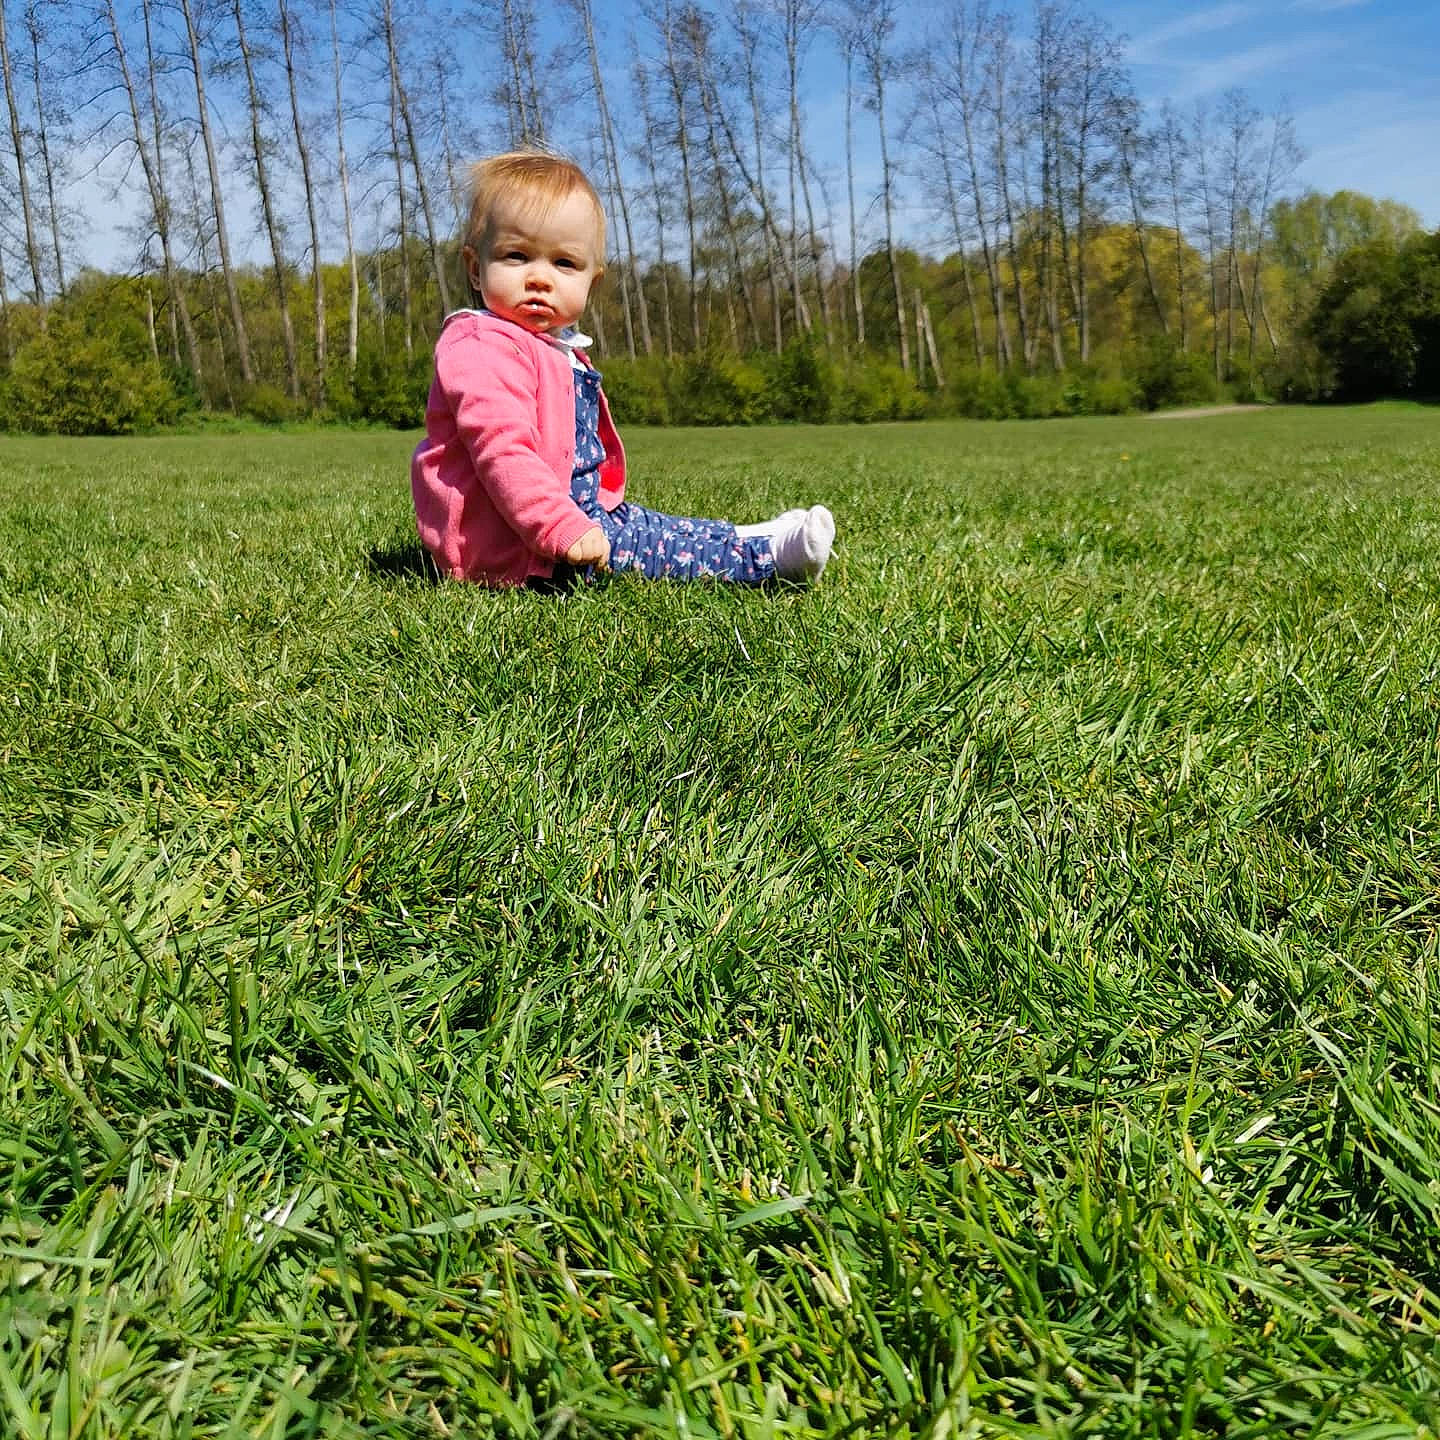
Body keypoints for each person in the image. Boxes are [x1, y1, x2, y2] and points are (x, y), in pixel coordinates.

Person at [412, 150, 835, 589]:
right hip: (514, 546)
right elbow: (502, 451)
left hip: (576, 511)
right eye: (516, 255)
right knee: (650, 551)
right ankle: (768, 561)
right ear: (475, 269)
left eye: (564, 263)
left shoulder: (553, 347)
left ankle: (759, 534)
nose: (540, 278)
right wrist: (560, 527)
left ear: (590, 281)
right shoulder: (482, 346)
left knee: (658, 528)